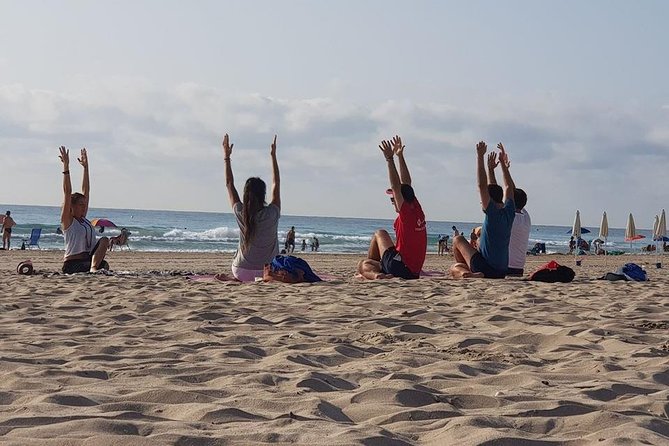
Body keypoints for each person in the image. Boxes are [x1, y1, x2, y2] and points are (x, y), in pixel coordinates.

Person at [357, 136, 427, 280]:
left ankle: (376, 275)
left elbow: (397, 186)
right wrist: (400, 155)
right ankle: (378, 269)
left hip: (402, 267)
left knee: (365, 261)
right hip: (412, 270)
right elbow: (406, 183)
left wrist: (390, 159)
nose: (392, 201)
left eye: (392, 199)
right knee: (382, 238)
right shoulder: (417, 209)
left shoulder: (406, 213)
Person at [449, 142, 516, 279]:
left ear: (488, 200)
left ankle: (466, 273)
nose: (481, 202)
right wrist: (499, 166)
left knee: (457, 240)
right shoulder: (509, 212)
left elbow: (482, 186)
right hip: (502, 270)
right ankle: (469, 270)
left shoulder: (492, 214)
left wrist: (480, 156)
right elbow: (508, 187)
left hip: (486, 268)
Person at [223, 133, 281, 282]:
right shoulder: (272, 213)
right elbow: (276, 184)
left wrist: (227, 157)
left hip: (240, 271)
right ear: (263, 195)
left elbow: (229, 184)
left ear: (245, 195)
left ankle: (234, 280)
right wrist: (273, 156)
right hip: (268, 273)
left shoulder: (241, 212)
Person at [59, 146, 110, 273]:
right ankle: (93, 269)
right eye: (80, 204)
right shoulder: (68, 221)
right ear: (72, 206)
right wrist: (66, 167)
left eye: (84, 204)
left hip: (87, 260)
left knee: (104, 241)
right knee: (102, 266)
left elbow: (86, 190)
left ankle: (93, 268)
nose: (84, 206)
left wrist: (86, 168)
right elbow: (67, 192)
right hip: (72, 264)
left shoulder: (84, 220)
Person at [486, 152, 531, 276]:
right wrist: (504, 169)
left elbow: (495, 193)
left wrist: (491, 170)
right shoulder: (526, 217)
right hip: (518, 270)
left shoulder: (508, 218)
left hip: (504, 267)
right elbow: (511, 190)